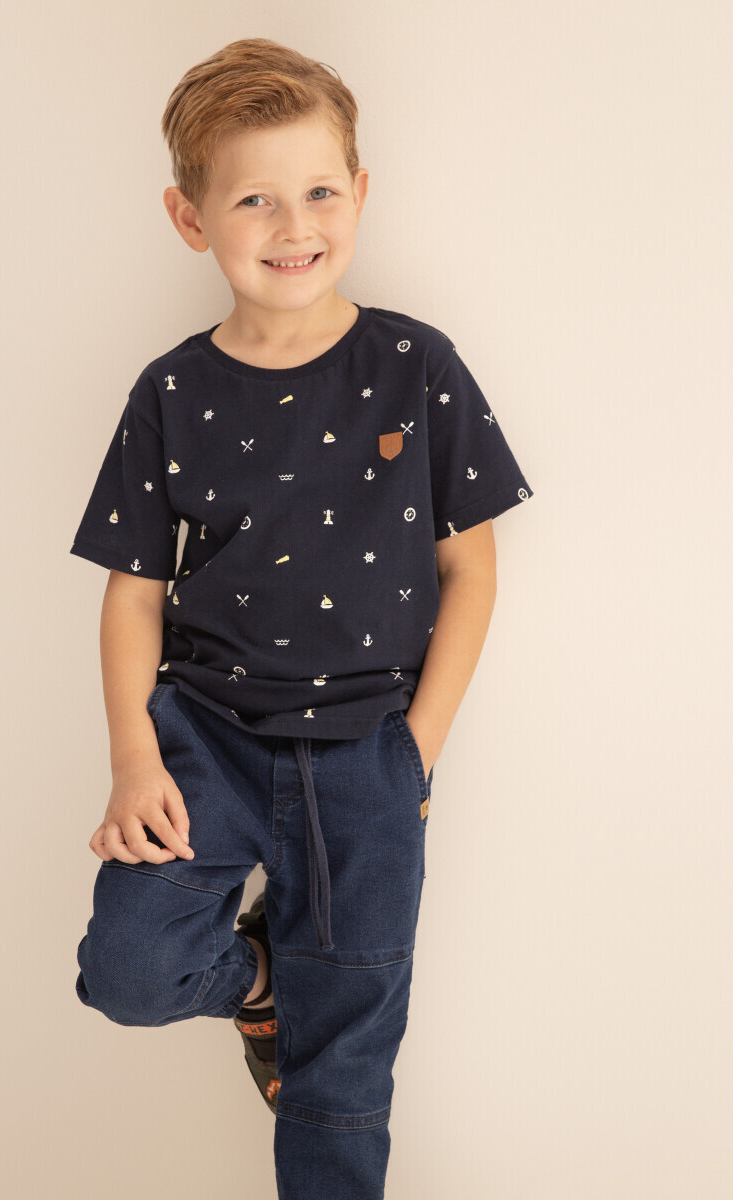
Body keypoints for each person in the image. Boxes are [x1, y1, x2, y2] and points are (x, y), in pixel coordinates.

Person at [69, 37, 535, 1200]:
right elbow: (132, 589)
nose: (294, 224)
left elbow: (472, 571)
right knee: (128, 966)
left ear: (360, 195)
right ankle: (261, 985)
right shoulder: (170, 391)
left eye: (321, 191)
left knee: (344, 1079)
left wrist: (416, 751)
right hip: (206, 742)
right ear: (190, 218)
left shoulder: (417, 365)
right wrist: (134, 757)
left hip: (370, 757)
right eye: (255, 199)